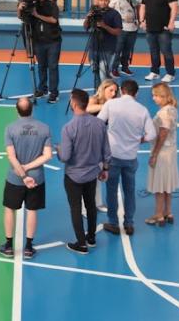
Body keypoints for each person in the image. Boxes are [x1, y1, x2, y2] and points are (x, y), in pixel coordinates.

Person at [98, 79, 156, 236]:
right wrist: (139, 139)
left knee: (111, 190)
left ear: (121, 90)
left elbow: (98, 123)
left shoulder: (111, 105)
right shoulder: (142, 110)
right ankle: (129, 223)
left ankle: (113, 223)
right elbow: (152, 134)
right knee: (129, 191)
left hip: (113, 156)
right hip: (130, 157)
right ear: (136, 93)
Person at [0, 98, 52, 259]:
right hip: (37, 178)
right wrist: (28, 169)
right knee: (32, 210)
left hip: (15, 177)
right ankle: (28, 247)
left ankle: (8, 246)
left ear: (16, 110)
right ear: (32, 109)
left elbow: (12, 157)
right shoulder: (45, 128)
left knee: (9, 209)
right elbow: (47, 156)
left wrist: (22, 172)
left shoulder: (10, 129)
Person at [57, 89, 111, 254]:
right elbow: (106, 150)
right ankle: (91, 237)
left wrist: (58, 151)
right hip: (92, 174)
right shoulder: (99, 124)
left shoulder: (69, 128)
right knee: (91, 206)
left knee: (75, 208)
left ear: (73, 104)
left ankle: (81, 244)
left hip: (74, 175)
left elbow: (65, 156)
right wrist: (105, 169)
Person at [146, 82, 179, 226]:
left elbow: (163, 133)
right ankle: (168, 212)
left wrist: (154, 154)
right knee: (167, 183)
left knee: (160, 185)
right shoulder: (172, 109)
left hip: (163, 153)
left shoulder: (164, 113)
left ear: (163, 96)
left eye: (155, 95)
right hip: (171, 151)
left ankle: (159, 215)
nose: (153, 98)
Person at [22, 0, 61, 104]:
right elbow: (22, 18)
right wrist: (21, 8)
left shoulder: (52, 5)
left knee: (53, 67)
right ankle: (42, 89)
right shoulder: (33, 6)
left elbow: (54, 20)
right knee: (41, 66)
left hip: (53, 41)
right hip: (39, 42)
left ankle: (53, 92)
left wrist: (37, 15)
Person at [139, 0, 178, 83]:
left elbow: (174, 8)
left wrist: (171, 22)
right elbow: (142, 7)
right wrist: (142, 21)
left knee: (166, 51)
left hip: (164, 28)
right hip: (150, 28)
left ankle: (170, 73)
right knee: (153, 51)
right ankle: (155, 72)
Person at [84, 0, 123, 90]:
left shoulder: (114, 14)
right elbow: (85, 27)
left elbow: (118, 31)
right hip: (94, 47)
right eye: (101, 0)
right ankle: (98, 92)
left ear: (109, 1)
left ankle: (107, 94)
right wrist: (87, 17)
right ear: (98, 0)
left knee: (103, 74)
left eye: (106, 0)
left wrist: (104, 26)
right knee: (95, 71)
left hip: (108, 49)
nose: (103, 2)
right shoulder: (93, 12)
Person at [109, 0, 140, 77]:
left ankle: (125, 67)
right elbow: (109, 10)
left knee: (128, 49)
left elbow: (136, 8)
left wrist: (138, 19)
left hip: (133, 27)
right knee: (117, 49)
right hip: (121, 27)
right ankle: (114, 68)